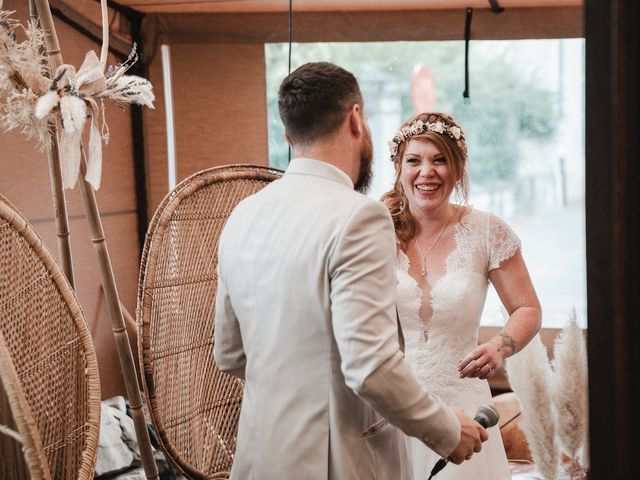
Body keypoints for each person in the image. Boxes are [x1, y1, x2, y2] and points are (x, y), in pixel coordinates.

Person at [213, 63, 487, 479]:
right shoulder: (360, 217)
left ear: (288, 136)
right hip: (336, 463)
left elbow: (230, 354)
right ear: (356, 119)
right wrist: (448, 430)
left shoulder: (242, 215)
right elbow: (370, 367)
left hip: (257, 457)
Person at [381, 112, 542, 479]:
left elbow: (527, 307)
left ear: (457, 168)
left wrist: (500, 345)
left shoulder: (487, 231)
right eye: (414, 160)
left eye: (439, 160)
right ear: (398, 167)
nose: (427, 172)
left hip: (464, 404)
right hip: (393, 406)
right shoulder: (375, 230)